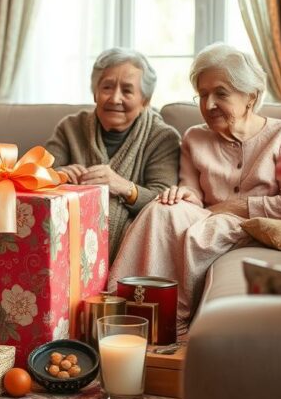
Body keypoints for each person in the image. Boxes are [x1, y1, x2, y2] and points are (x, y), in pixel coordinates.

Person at [107, 44, 281, 331]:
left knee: (205, 232)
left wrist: (234, 207)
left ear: (251, 96)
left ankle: (173, 321)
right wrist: (183, 195)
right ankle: (120, 306)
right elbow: (193, 195)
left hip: (260, 226)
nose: (209, 105)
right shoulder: (194, 137)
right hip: (208, 216)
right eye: (202, 95)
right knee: (162, 210)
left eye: (220, 93)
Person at [44, 48, 181, 262]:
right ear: (95, 93)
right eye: (107, 87)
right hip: (64, 248)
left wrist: (125, 187)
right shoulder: (70, 127)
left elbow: (165, 200)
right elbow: (36, 175)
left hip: (134, 252)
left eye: (127, 91)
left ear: (145, 100)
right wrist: (58, 176)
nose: (115, 98)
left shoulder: (162, 137)